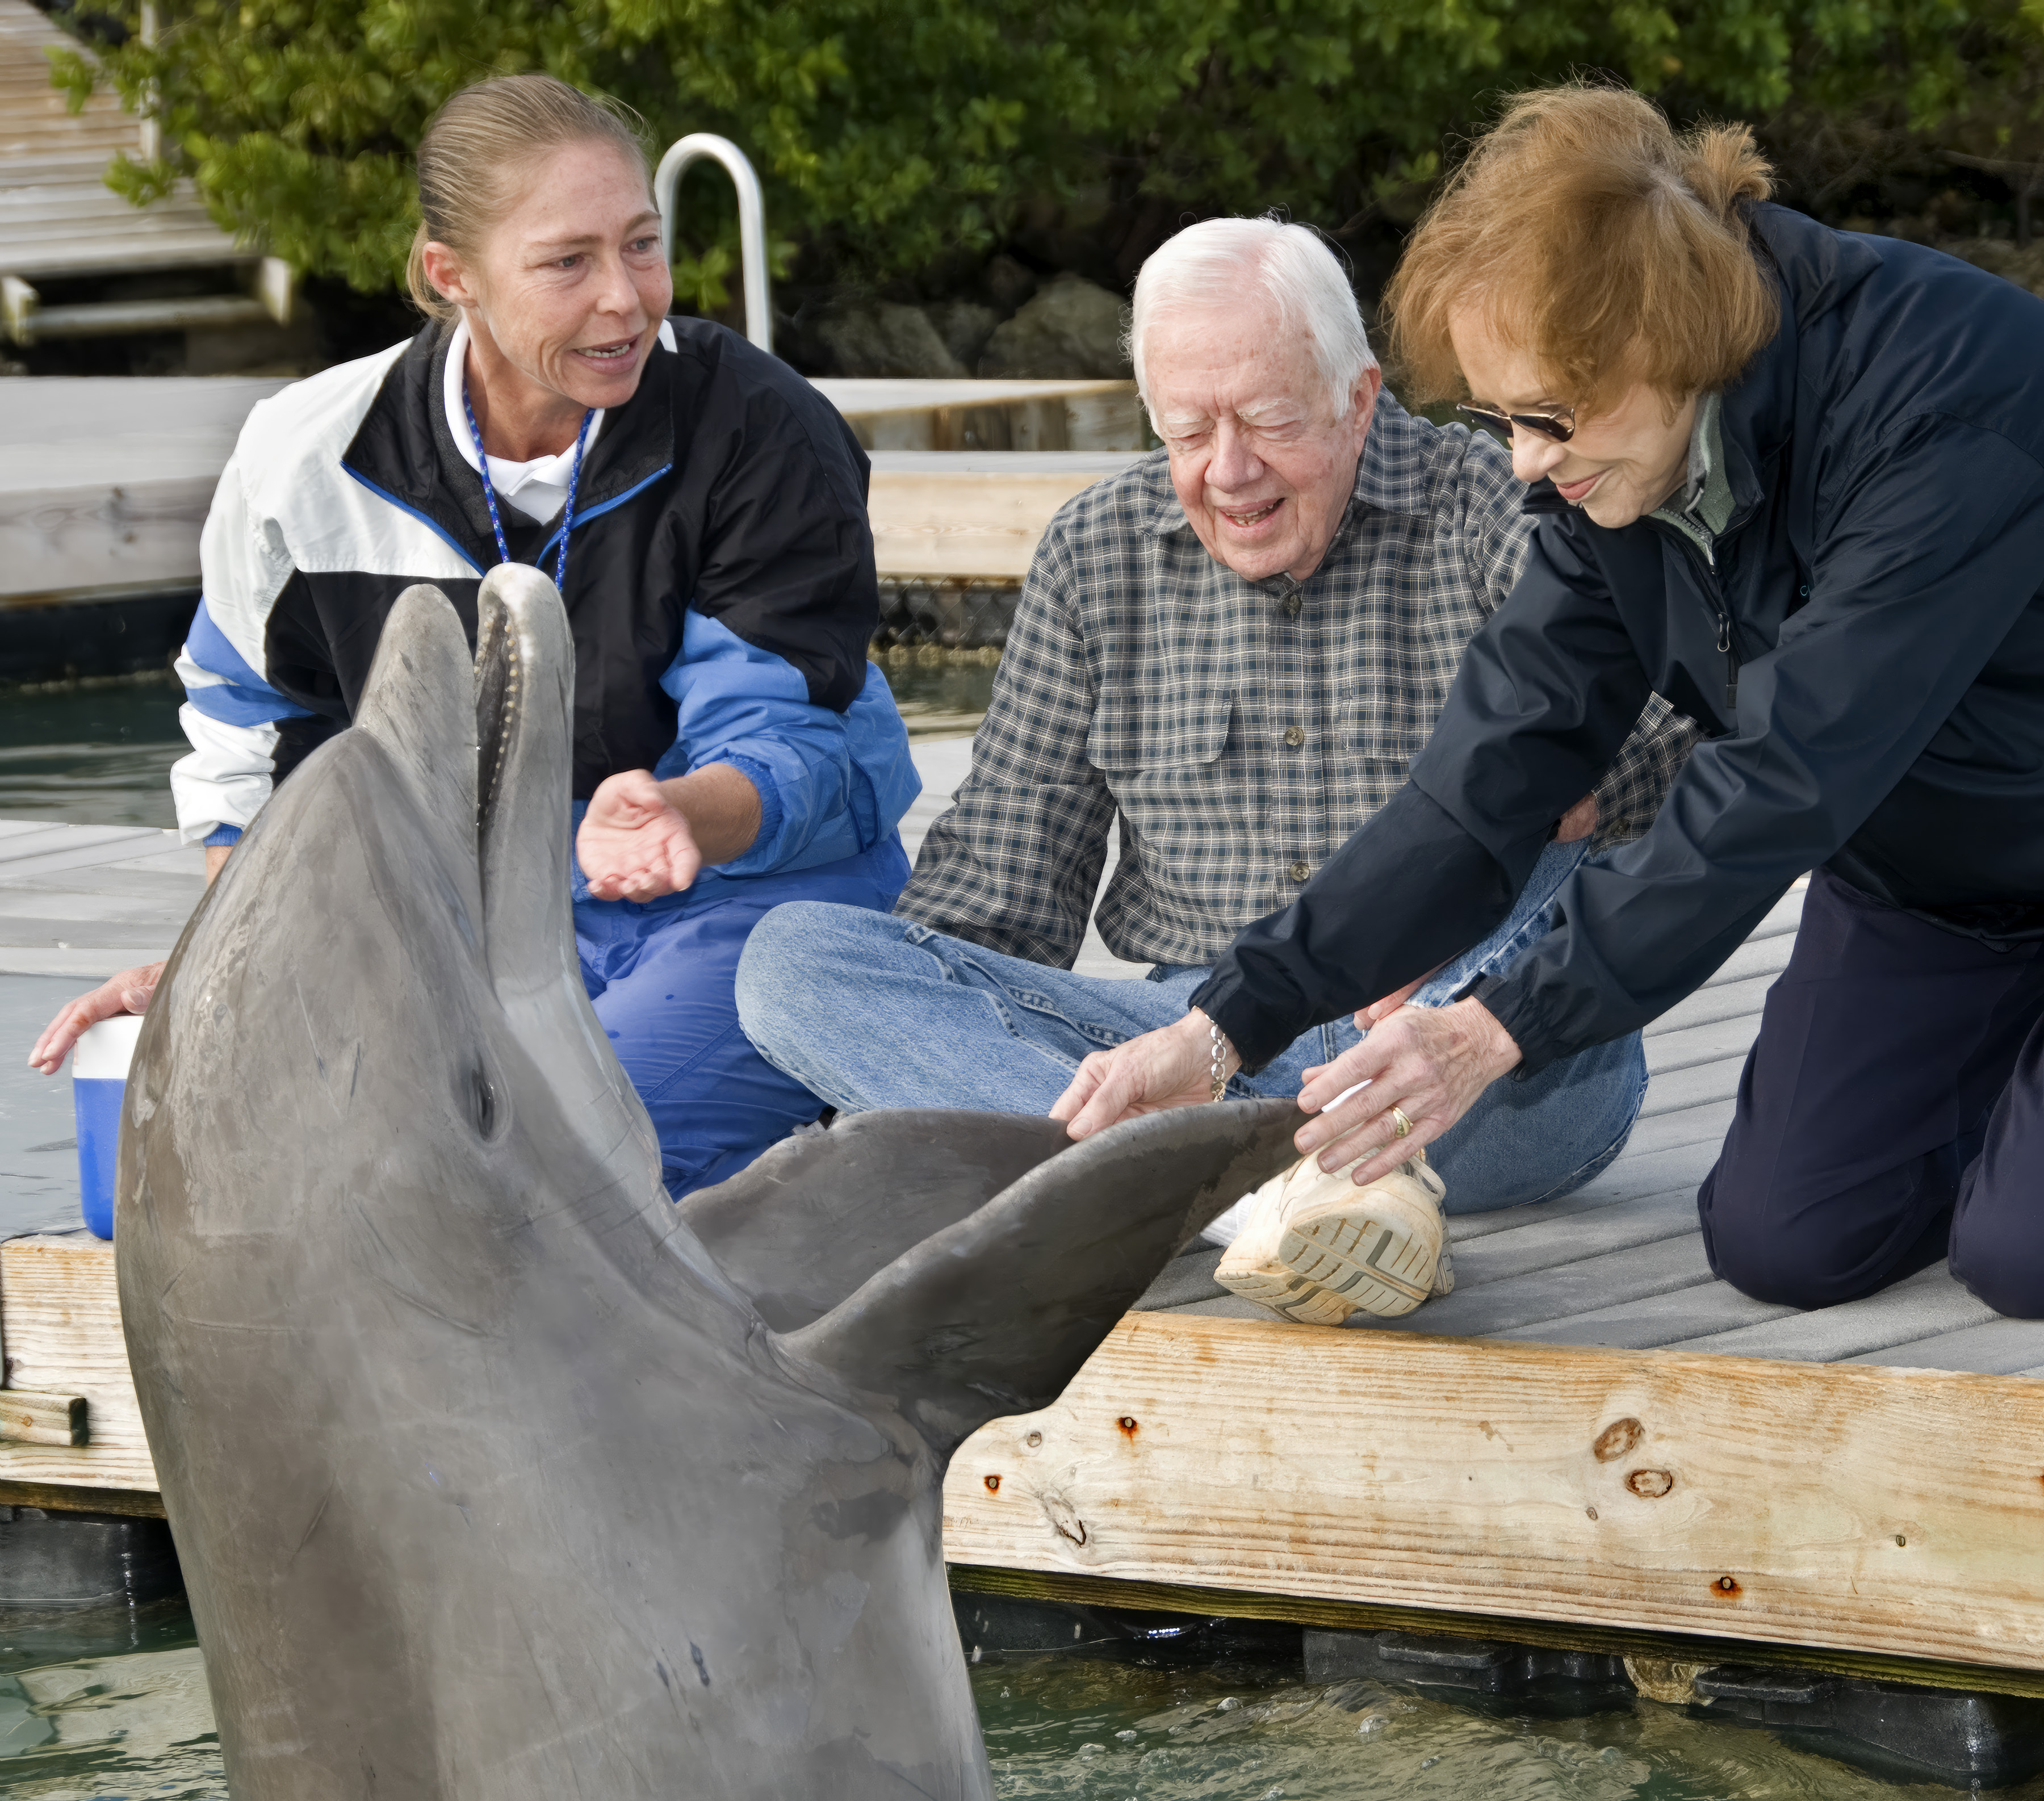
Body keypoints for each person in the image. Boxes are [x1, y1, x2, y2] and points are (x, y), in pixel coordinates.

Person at [1056, 87, 2044, 1317]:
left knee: (2020, 1257)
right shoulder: (1607, 477)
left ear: (1672, 344)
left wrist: (1493, 1026)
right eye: (1498, 417)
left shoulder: (1951, 394)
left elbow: (1787, 774)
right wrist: (1222, 1025)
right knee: (1781, 1241)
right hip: (1932, 894)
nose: (1523, 459)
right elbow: (1477, 792)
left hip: (1950, 813)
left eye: (1548, 419)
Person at [736, 216, 1697, 1317]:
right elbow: (995, 893)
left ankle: (1164, 1182)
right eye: (1188, 429)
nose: (1229, 470)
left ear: (1359, 396)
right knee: (790, 961)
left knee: (1550, 830)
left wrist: (1546, 798)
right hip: (1190, 1047)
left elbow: (1678, 744)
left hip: (1473, 1048)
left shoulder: (1496, 502)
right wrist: (893, 1047)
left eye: (1270, 421)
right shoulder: (1094, 553)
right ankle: (1255, 1198)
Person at [26, 73, 918, 1200]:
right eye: (568, 261)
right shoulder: (304, 457)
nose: (627, 299)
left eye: (643, 245)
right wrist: (232, 964)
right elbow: (252, 743)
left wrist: (681, 812)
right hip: (456, 924)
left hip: (746, 899)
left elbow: (789, 736)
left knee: (554, 1170)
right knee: (257, 1152)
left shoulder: (759, 426)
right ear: (453, 275)